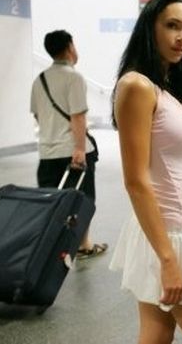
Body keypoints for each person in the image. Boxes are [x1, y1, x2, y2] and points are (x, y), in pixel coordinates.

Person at [109, 0, 182, 344]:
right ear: (150, 27)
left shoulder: (166, 87)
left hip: (169, 229)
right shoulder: (136, 86)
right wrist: (168, 259)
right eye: (172, 26)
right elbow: (135, 181)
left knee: (156, 334)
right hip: (170, 235)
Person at [30, 29, 107, 259]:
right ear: (70, 47)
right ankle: (82, 246)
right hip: (72, 152)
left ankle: (53, 247)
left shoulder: (39, 79)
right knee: (81, 201)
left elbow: (37, 115)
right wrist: (80, 148)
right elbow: (78, 117)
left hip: (46, 152)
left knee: (52, 202)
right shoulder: (74, 77)